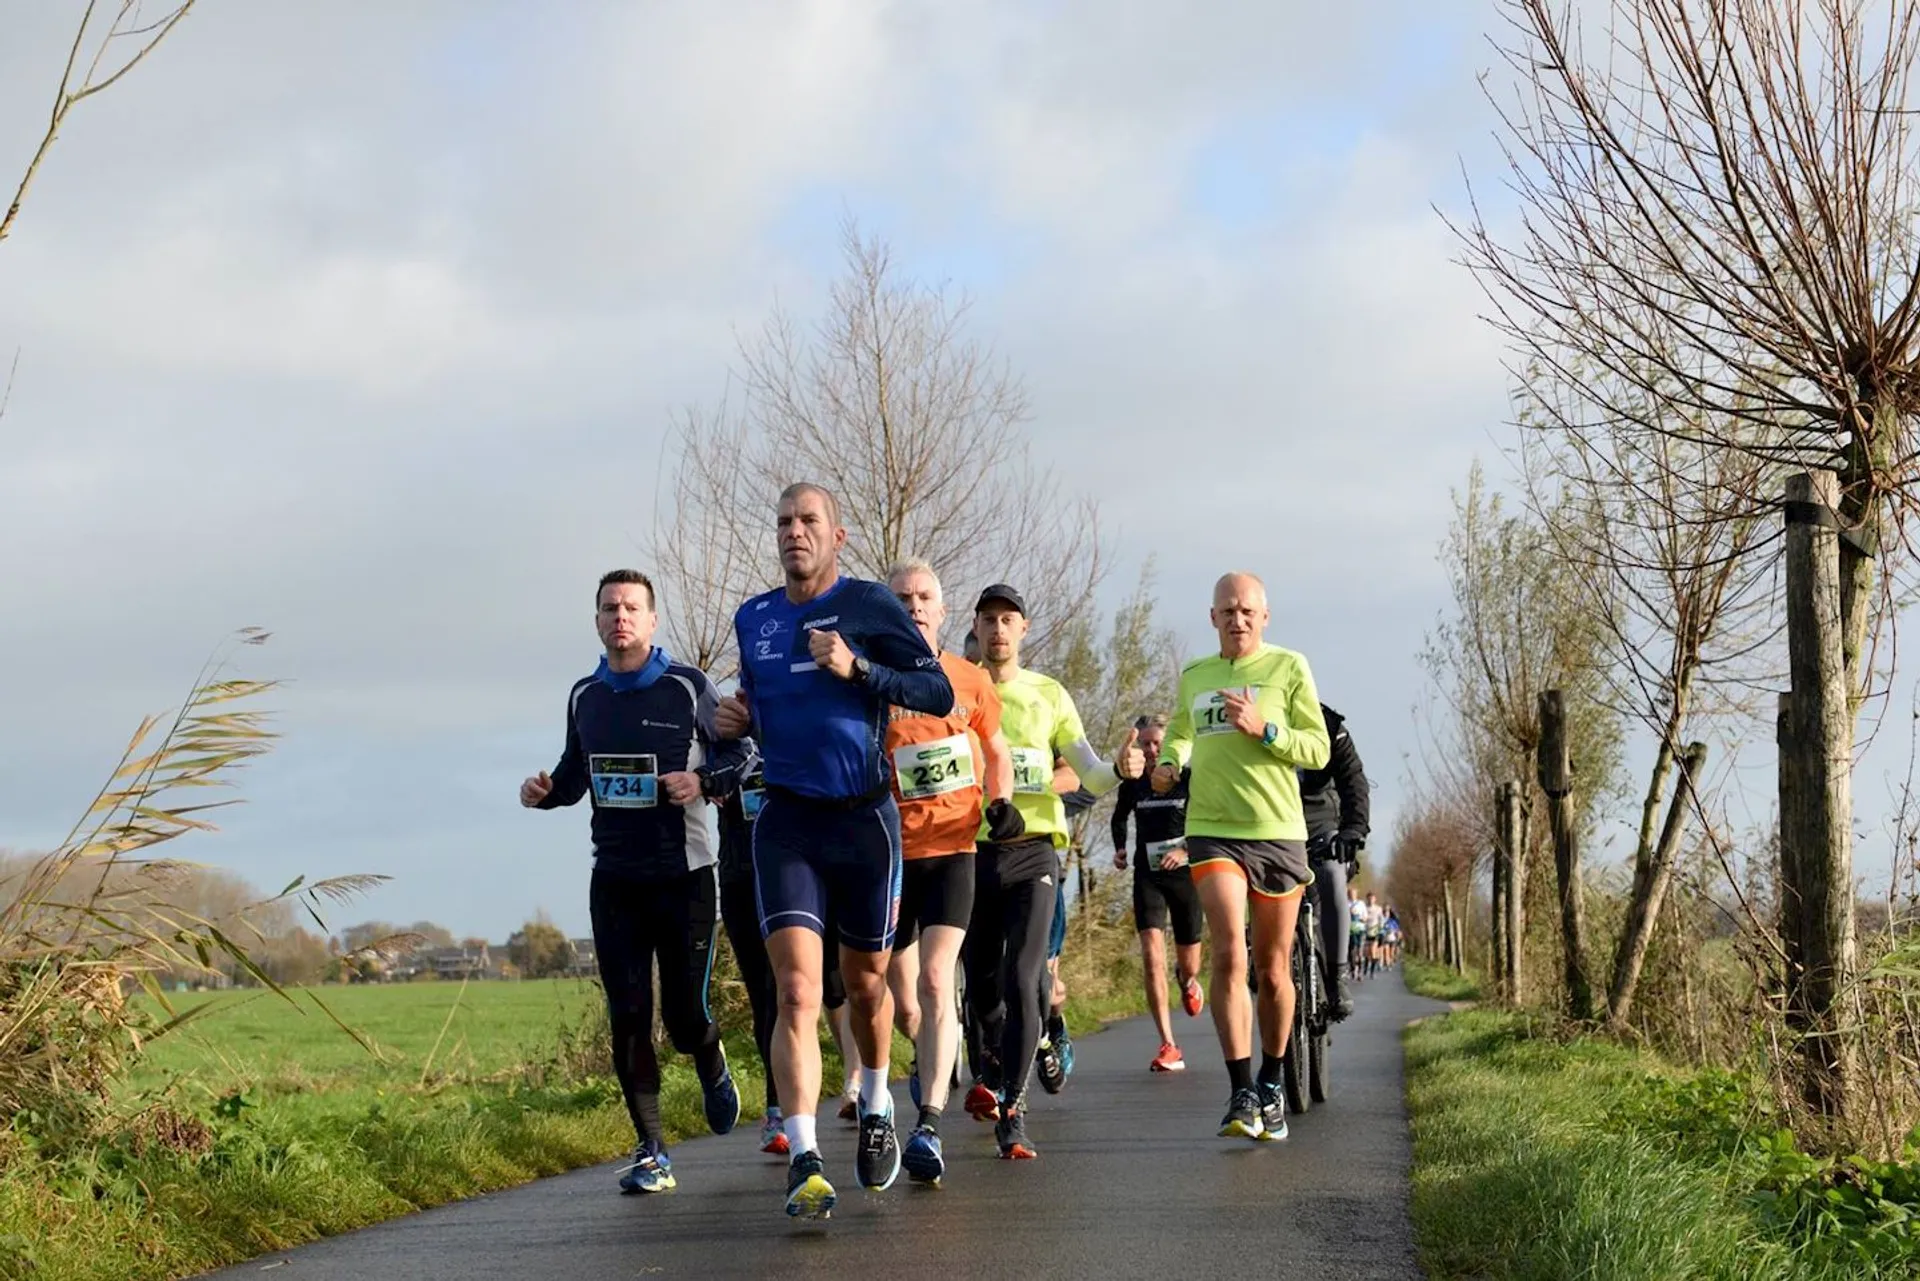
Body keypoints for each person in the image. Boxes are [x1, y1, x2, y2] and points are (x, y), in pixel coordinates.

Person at [714, 483, 954, 1221]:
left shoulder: (870, 605)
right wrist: (737, 720)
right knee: (796, 991)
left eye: (807, 521)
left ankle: (879, 1100)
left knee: (869, 984)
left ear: (837, 535)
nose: (794, 532)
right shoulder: (752, 617)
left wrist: (859, 670)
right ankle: (806, 1155)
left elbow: (937, 690)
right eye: (784, 522)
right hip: (786, 820)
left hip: (864, 822)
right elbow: (759, 709)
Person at [520, 569, 753, 1194]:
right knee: (627, 1016)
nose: (620, 617)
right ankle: (652, 1149)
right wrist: (545, 795)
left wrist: (701, 783)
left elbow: (743, 753)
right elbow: (575, 774)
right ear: (597, 622)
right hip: (615, 881)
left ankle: (709, 1056)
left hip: (685, 878)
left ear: (652, 622)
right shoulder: (584, 697)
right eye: (609, 609)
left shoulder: (687, 688)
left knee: (682, 1017)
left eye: (631, 608)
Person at [964, 584, 1144, 1158]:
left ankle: (1013, 1111)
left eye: (1008, 620)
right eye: (989, 619)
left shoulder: (1048, 694)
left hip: (1036, 851)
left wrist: (1119, 768)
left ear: (1024, 629)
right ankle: (992, 1062)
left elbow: (1088, 772)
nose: (998, 630)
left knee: (1025, 977)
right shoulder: (955, 689)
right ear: (976, 626)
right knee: (983, 992)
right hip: (973, 853)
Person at [1152, 572, 1328, 1143]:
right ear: (1212, 617)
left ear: (1265, 616)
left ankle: (1273, 1080)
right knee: (1229, 951)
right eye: (1228, 610)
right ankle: (1240, 1090)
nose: (1238, 619)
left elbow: (1316, 748)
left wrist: (1266, 728)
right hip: (1211, 830)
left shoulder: (1289, 668)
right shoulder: (1197, 676)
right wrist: (1171, 763)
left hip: (1277, 830)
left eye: (1248, 610)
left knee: (1272, 969)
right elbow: (1180, 732)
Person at [881, 559, 1022, 1184]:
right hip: (886, 858)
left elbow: (995, 748)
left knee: (940, 981)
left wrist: (1001, 802)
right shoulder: (868, 681)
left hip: (953, 850)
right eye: (902, 597)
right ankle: (932, 1050)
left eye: (924, 597)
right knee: (906, 1003)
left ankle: (928, 1126)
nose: (914, 605)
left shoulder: (968, 679)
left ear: (942, 611)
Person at [1112, 713, 1206, 1072]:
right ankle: (1168, 1043)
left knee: (1189, 962)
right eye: (1146, 743)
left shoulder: (1188, 779)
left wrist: (1185, 850)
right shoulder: (1134, 782)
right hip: (1147, 875)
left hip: (1185, 875)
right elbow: (1120, 817)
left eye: (1158, 744)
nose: (1152, 751)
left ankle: (1188, 980)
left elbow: (1207, 820)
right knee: (1152, 954)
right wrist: (1120, 847)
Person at [715, 765, 788, 1156]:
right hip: (739, 875)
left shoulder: (790, 713)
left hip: (793, 871)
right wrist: (710, 779)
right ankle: (777, 1109)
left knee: (791, 993)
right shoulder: (716, 723)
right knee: (764, 998)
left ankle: (857, 1083)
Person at [1297, 703, 1371, 1019]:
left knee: (1331, 876)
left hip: (1319, 821)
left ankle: (1336, 977)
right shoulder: (1252, 718)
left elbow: (1353, 779)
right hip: (1271, 824)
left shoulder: (1326, 724)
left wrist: (1353, 829)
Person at [1347, 887, 1369, 983]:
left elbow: (1365, 917)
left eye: (1354, 893)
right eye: (1351, 893)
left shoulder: (1361, 904)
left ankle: (1360, 971)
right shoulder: (1346, 903)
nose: (1352, 895)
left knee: (1360, 951)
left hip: (1360, 929)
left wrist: (1360, 918)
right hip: (1350, 930)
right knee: (1351, 951)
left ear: (1356, 894)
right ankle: (1352, 970)